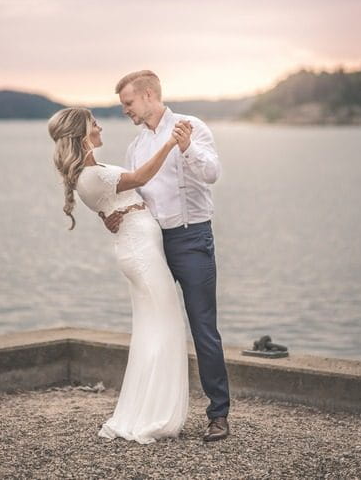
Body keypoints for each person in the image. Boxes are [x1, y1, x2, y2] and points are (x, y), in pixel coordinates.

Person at [102, 70, 230, 443]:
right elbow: (136, 194)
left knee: (203, 328)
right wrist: (116, 214)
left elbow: (213, 173)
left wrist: (187, 147)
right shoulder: (136, 146)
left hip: (192, 240)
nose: (126, 110)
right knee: (154, 325)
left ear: (146, 95)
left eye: (128, 103)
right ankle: (153, 412)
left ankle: (218, 415)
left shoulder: (192, 126)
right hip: (153, 244)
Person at [47, 106, 189, 444]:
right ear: (82, 134)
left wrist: (111, 215)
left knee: (152, 329)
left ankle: (147, 409)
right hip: (139, 254)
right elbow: (138, 179)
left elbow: (112, 201)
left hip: (139, 249)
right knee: (166, 326)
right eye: (93, 122)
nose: (99, 126)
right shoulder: (89, 175)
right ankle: (152, 415)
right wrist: (169, 143)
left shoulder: (95, 170)